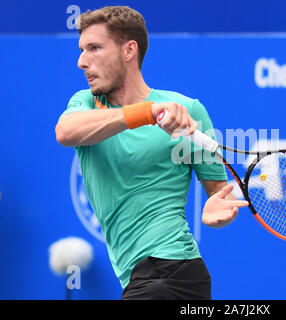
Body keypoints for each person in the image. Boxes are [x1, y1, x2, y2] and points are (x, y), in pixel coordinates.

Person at [55, 6, 248, 300]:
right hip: (138, 276)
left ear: (129, 50)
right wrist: (146, 113)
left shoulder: (189, 111)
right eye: (82, 50)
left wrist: (219, 210)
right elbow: (66, 132)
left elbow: (220, 192)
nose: (82, 61)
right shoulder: (86, 103)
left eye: (94, 48)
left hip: (171, 271)